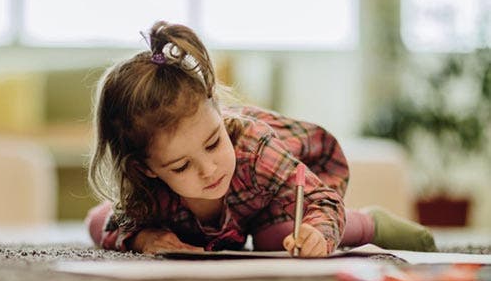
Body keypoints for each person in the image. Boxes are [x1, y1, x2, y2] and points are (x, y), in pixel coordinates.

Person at [85, 20, 437, 256]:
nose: (209, 169)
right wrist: (144, 238)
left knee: (280, 239)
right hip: (212, 213)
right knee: (137, 227)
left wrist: (318, 233)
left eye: (212, 143)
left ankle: (369, 221)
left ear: (219, 115)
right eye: (181, 166)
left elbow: (321, 200)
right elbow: (99, 221)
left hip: (280, 191)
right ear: (147, 169)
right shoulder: (146, 187)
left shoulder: (254, 150)